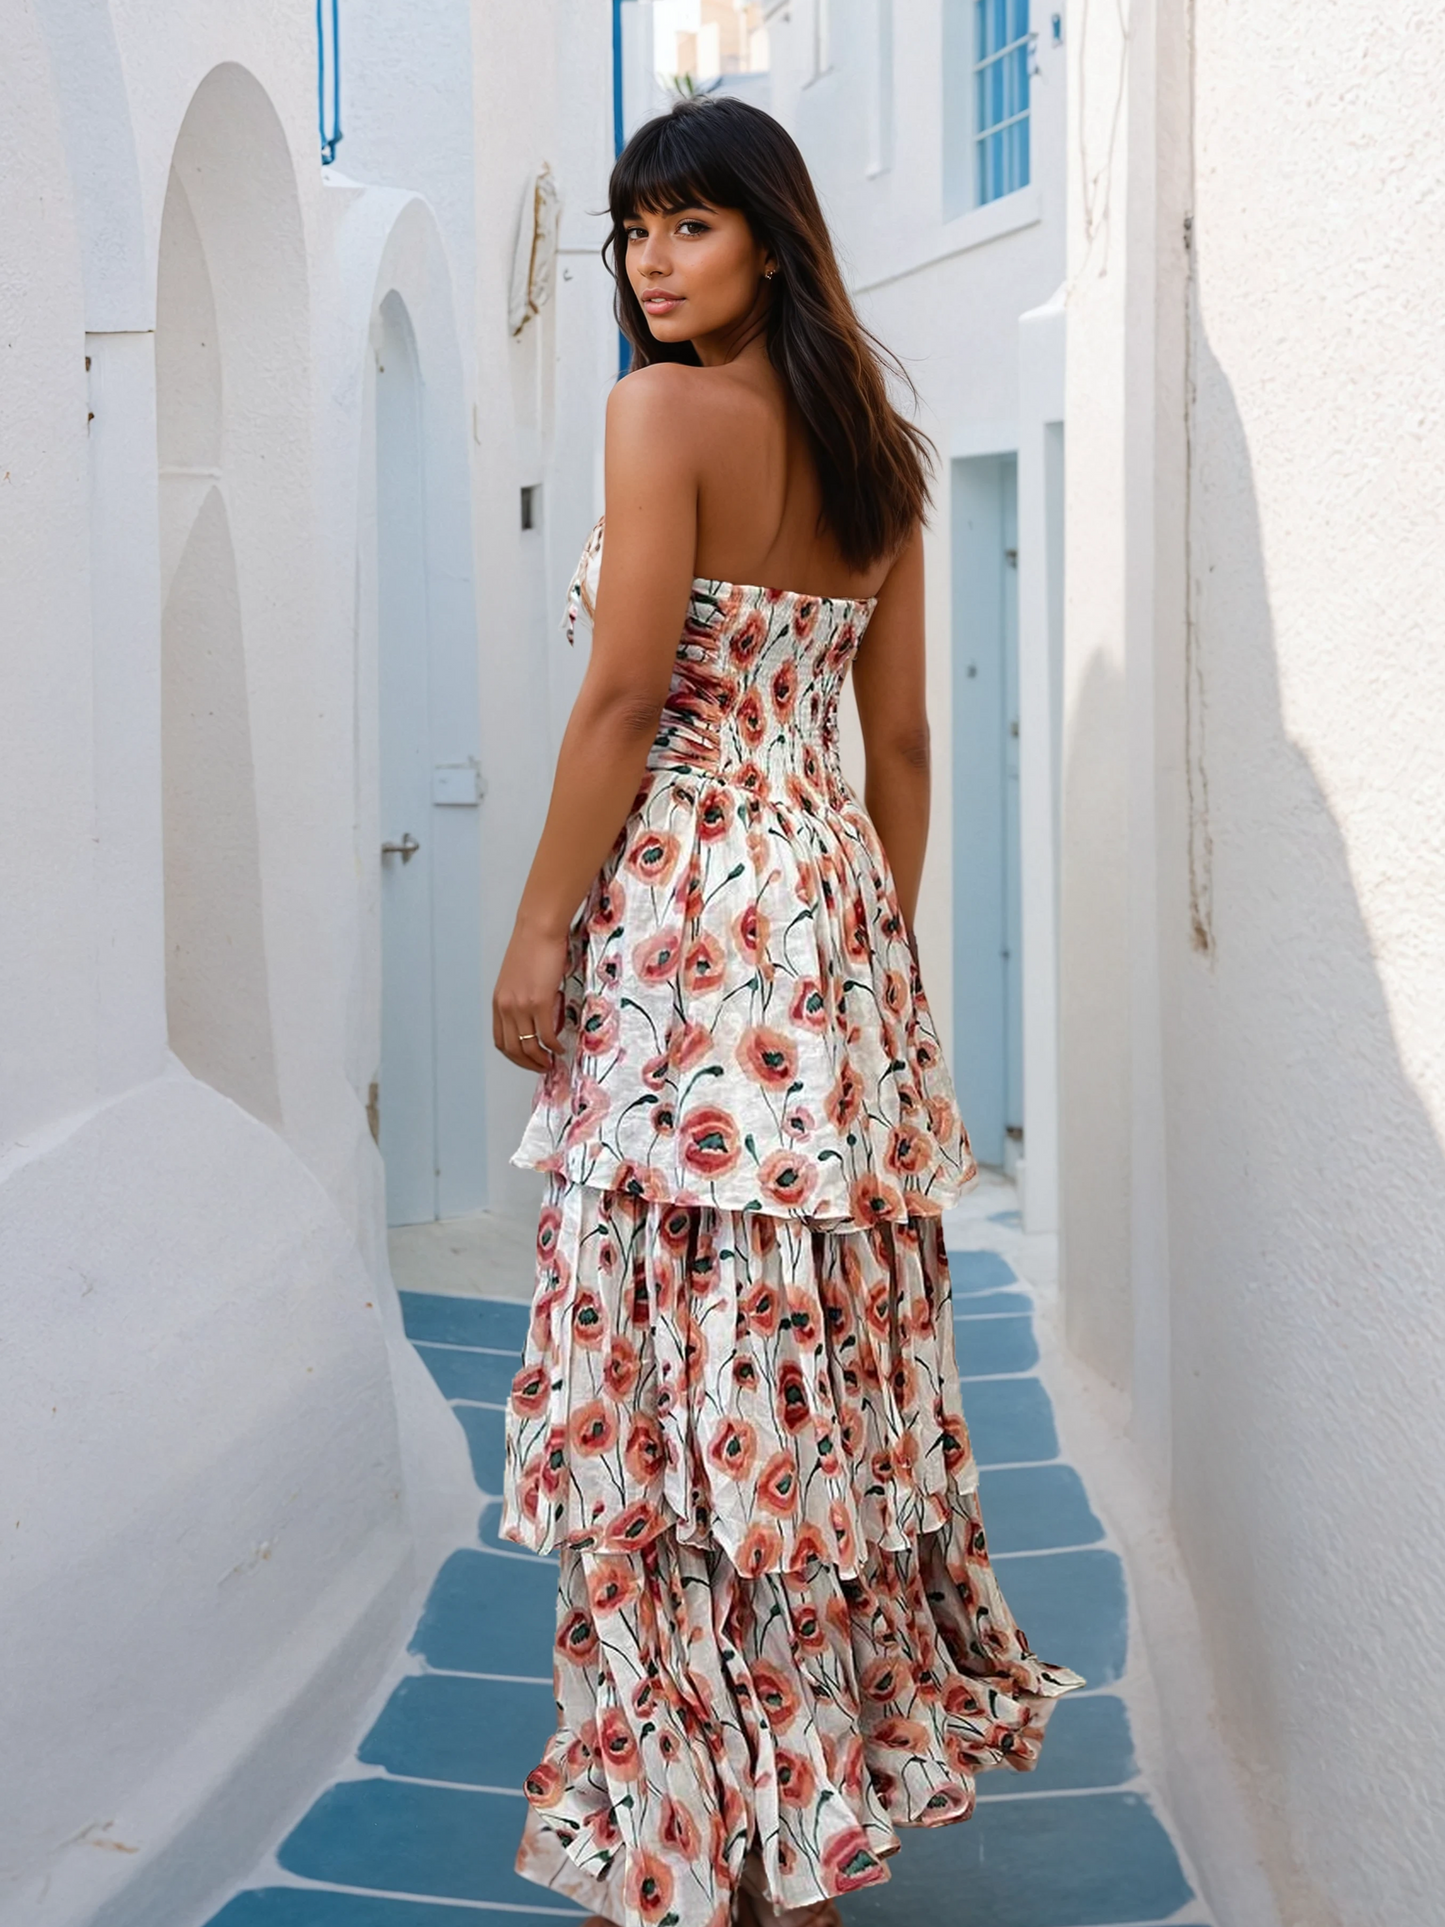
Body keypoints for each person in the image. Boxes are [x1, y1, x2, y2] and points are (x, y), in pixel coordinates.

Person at [492, 94, 1080, 1927]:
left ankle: (693, 1832)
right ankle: (803, 1831)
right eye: (635, 230)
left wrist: (537, 927)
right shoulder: (877, 446)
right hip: (826, 924)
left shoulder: (656, 415)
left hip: (682, 919)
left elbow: (622, 702)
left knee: (673, 1382)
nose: (653, 263)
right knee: (802, 1375)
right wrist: (859, 967)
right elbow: (899, 748)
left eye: (691, 224)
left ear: (772, 235)